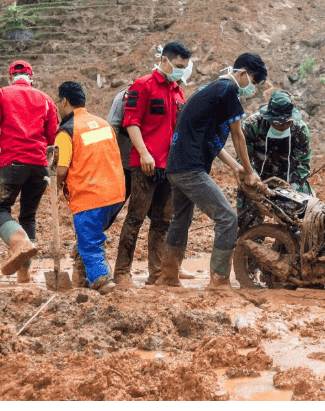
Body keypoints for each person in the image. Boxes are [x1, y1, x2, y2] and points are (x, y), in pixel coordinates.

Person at [157, 53, 268, 289]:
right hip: (190, 168)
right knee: (227, 218)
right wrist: (249, 171)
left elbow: (211, 143)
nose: (253, 88)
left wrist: (237, 167)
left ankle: (168, 276)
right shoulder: (228, 90)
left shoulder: (214, 89)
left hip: (176, 166)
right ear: (242, 73)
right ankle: (219, 281)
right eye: (253, 82)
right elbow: (237, 134)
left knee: (180, 220)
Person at [0, 60, 59, 283]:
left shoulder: (2, 94)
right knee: (28, 215)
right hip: (39, 165)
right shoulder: (46, 99)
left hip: (12, 163)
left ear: (10, 77)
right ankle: (24, 274)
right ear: (31, 78)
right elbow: (53, 139)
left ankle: (19, 243)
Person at [113, 42, 192, 288]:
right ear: (165, 60)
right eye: (178, 66)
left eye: (185, 67)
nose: (181, 71)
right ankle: (122, 273)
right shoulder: (142, 85)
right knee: (135, 218)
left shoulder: (177, 92)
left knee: (163, 222)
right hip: (144, 166)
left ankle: (156, 274)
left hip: (168, 168)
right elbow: (131, 122)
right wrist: (145, 154)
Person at [54, 81, 125, 295]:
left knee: (90, 242)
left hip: (89, 196)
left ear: (64, 101)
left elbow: (61, 170)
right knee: (89, 235)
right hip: (115, 194)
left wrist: (54, 182)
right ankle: (82, 277)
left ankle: (103, 283)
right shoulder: (103, 124)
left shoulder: (66, 132)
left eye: (58, 101)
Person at [238, 91, 313, 229]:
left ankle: (288, 243)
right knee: (248, 221)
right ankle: (251, 239)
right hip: (256, 179)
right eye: (278, 123)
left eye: (287, 123)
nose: (282, 126)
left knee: (304, 213)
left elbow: (303, 163)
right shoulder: (252, 126)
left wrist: (295, 186)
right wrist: (254, 180)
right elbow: (242, 158)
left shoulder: (300, 130)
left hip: (288, 180)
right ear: (268, 117)